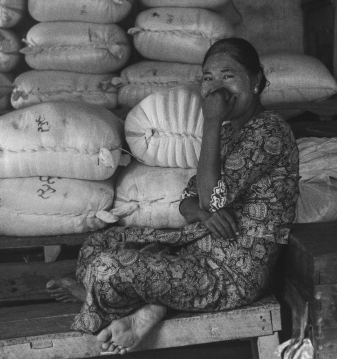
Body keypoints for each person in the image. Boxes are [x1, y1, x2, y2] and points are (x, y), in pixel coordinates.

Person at [46, 37, 300, 355]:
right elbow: (191, 197)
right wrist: (202, 213)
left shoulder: (269, 130)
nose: (216, 87)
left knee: (106, 268)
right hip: (196, 247)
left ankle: (121, 305)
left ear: (256, 81)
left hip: (232, 274)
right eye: (208, 78)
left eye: (228, 76)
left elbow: (214, 197)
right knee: (99, 243)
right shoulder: (226, 132)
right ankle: (145, 306)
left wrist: (209, 121)